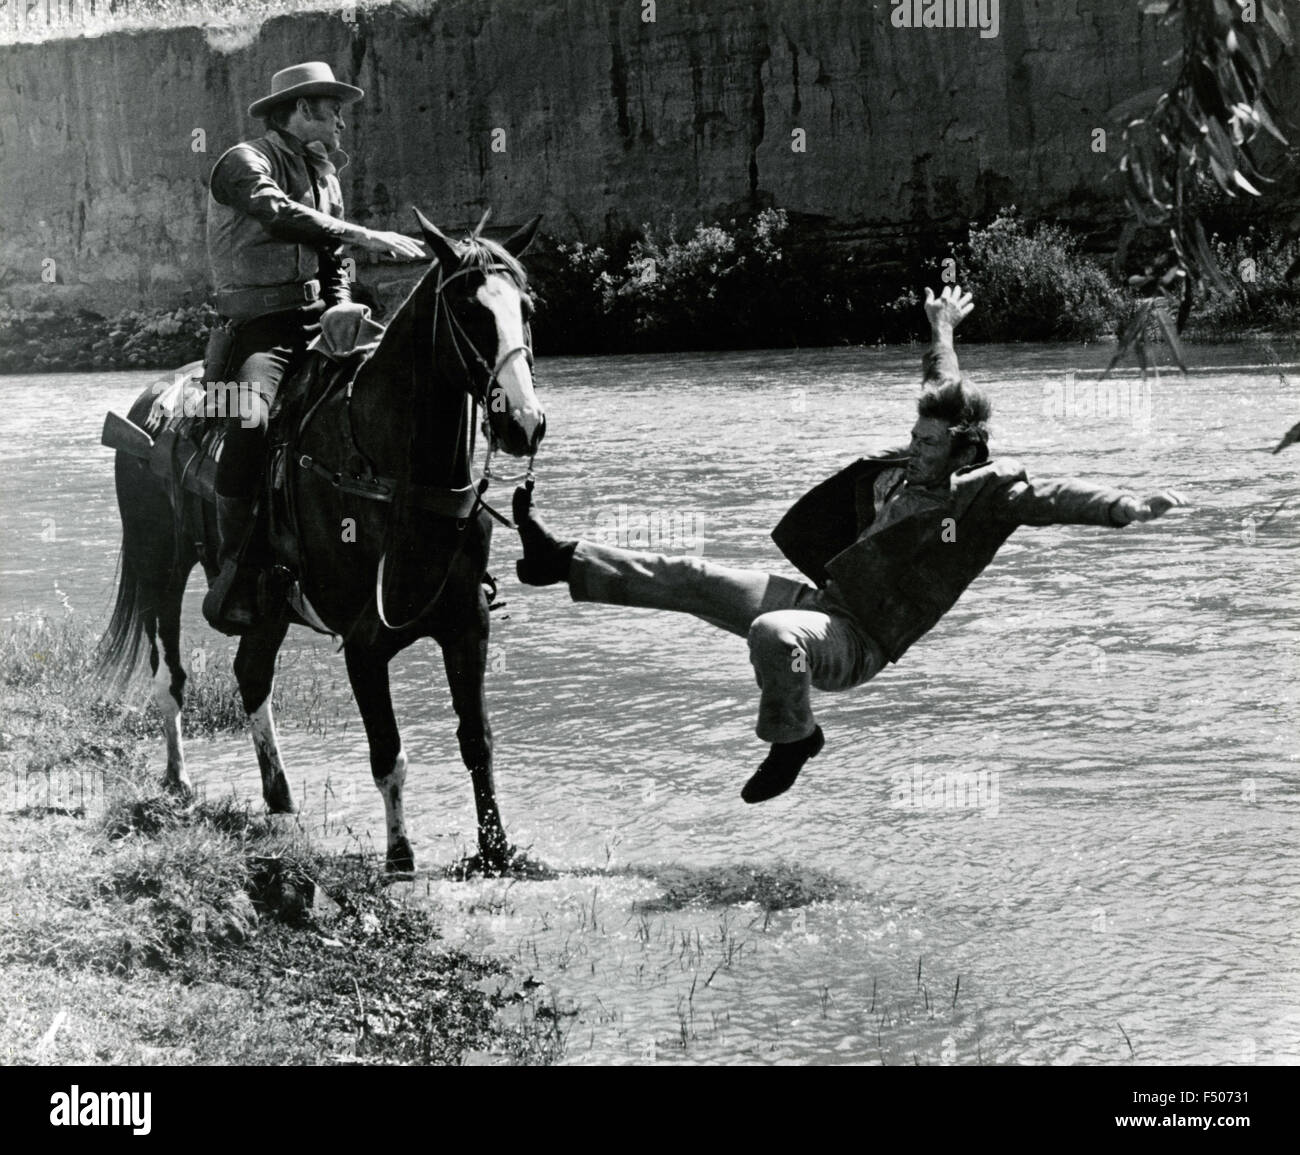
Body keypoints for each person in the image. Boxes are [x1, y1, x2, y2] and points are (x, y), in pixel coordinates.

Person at [512, 286, 1187, 803]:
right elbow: (939, 378)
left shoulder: (985, 499)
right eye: (915, 437)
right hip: (825, 598)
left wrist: (1124, 506)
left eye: (928, 444)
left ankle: (795, 737)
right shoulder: (927, 437)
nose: (915, 449)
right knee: (690, 574)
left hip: (857, 638)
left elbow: (1057, 498)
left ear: (964, 448)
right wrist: (943, 326)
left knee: (775, 635)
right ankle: (561, 560)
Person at [202, 61, 425, 635]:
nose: (342, 124)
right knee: (248, 418)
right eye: (334, 111)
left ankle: (412, 543)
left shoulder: (327, 174)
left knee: (407, 390)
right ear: (302, 110)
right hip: (259, 330)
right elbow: (277, 212)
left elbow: (335, 260)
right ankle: (238, 566)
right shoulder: (242, 161)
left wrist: (342, 302)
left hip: (321, 322)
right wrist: (364, 234)